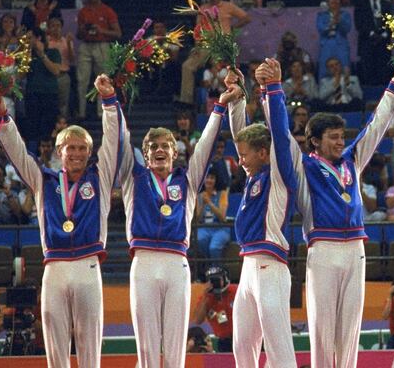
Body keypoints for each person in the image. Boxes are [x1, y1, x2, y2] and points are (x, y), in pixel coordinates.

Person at [0, 74, 125, 368]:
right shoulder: (44, 180)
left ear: (90, 153)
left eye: (82, 149)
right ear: (59, 152)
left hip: (89, 264)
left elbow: (114, 143)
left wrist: (108, 103)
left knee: (91, 344)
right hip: (54, 267)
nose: (76, 153)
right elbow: (17, 152)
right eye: (70, 148)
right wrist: (3, 116)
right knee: (55, 345)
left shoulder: (100, 178)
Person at [287, 64, 394, 367]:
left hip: (355, 249)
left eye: (342, 136)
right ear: (314, 140)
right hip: (323, 249)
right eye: (333, 137)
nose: (341, 142)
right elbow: (280, 135)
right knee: (323, 330)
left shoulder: (352, 161)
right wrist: (270, 92)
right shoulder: (305, 169)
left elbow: (376, 125)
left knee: (350, 331)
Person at [118, 80, 238, 368]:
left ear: (175, 153)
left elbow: (207, 146)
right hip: (144, 261)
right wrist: (112, 102)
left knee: (175, 346)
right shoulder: (132, 179)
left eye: (166, 146)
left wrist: (219, 106)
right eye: (153, 147)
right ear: (145, 155)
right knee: (146, 346)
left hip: (176, 262)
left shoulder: (188, 180)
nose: (160, 150)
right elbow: (118, 140)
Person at [223, 59, 298, 366]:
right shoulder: (255, 175)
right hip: (248, 269)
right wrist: (237, 97)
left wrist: (273, 89)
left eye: (244, 156)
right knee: (242, 349)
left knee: (279, 349)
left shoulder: (279, 177)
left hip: (271, 269)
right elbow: (243, 133)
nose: (240, 161)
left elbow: (278, 135)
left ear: (263, 154)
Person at [179, 0, 250, 106]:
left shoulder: (228, 6)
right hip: (206, 45)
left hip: (223, 45)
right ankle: (186, 102)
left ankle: (233, 99)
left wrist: (233, 28)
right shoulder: (202, 8)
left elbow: (246, 18)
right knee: (187, 66)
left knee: (227, 70)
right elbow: (198, 29)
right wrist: (197, 46)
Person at [75, 0, 122, 120]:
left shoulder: (107, 11)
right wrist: (84, 29)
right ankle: (82, 112)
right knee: (82, 79)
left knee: (103, 79)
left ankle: (102, 112)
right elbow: (78, 34)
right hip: (86, 44)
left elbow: (118, 33)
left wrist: (101, 30)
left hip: (102, 44)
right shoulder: (83, 11)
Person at [24, 29, 62, 142]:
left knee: (48, 128)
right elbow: (20, 76)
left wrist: (42, 55)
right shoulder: (27, 56)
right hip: (32, 95)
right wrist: (26, 56)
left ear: (38, 38)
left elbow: (55, 71)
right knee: (32, 129)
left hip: (49, 94)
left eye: (30, 38)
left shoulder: (53, 52)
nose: (27, 41)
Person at [354, 0, 391, 85]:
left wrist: (383, 35)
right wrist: (372, 34)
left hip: (383, 43)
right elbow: (359, 24)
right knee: (368, 71)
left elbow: (391, 22)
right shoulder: (360, 5)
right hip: (367, 42)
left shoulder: (386, 4)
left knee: (383, 70)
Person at [192, 266, 237, 352]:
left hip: (241, 337)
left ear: (224, 278)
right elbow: (197, 320)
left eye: (217, 279)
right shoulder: (206, 298)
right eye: (211, 280)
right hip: (224, 341)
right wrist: (205, 297)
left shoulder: (235, 291)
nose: (215, 282)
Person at [195, 168, 231, 264]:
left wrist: (209, 203)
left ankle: (217, 272)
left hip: (220, 228)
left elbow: (223, 218)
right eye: (207, 177)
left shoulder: (222, 194)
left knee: (214, 247)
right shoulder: (199, 195)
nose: (209, 180)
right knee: (199, 240)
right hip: (204, 227)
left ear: (216, 180)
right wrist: (202, 204)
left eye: (212, 178)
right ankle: (209, 268)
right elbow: (197, 219)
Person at [317, 0, 352, 79]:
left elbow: (347, 29)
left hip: (341, 45)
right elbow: (321, 29)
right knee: (325, 70)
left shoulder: (345, 15)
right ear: (327, 1)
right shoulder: (321, 15)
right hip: (326, 45)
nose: (334, 1)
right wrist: (331, 24)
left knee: (344, 68)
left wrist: (339, 21)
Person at [47, 17, 75, 118]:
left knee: (63, 103)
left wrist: (68, 43)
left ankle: (62, 125)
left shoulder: (66, 41)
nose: (56, 28)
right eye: (53, 26)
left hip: (63, 75)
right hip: (49, 76)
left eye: (58, 26)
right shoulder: (46, 42)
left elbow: (72, 60)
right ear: (48, 28)